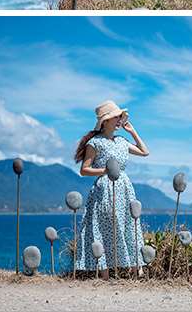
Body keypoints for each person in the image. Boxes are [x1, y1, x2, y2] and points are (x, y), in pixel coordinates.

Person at [73, 101, 149, 279]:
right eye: (115, 117)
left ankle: (137, 272)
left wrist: (132, 132)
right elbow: (84, 170)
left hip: (125, 189)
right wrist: (106, 171)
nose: (118, 121)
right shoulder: (95, 143)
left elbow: (144, 152)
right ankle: (105, 276)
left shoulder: (122, 141)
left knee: (130, 226)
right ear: (105, 121)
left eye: (119, 117)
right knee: (104, 229)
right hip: (104, 190)